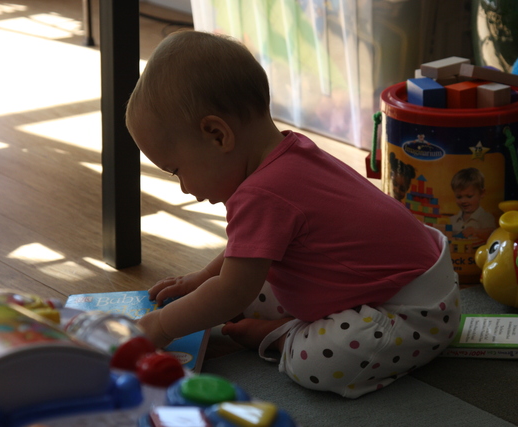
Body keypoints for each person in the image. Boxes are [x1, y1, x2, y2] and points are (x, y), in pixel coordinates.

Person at [125, 30, 460, 398]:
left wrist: (161, 325)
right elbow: (248, 251)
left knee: (314, 362)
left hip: (412, 312)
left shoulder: (261, 194)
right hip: (409, 280)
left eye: (176, 171)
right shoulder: (290, 151)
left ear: (217, 135)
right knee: (252, 279)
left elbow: (232, 291)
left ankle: (283, 336)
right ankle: (292, 322)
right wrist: (204, 277)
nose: (183, 188)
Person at [449, 168, 496, 243]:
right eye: (459, 197)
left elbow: (494, 234)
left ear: (482, 193)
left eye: (469, 196)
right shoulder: (452, 220)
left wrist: (477, 232)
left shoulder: (486, 217)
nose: (463, 201)